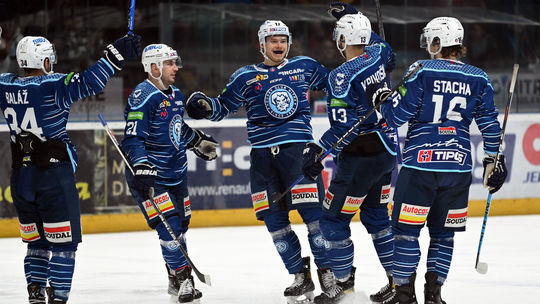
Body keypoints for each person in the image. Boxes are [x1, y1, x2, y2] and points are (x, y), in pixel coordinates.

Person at [185, 20, 333, 304]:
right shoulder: (244, 77)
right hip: (262, 159)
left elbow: (340, 84)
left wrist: (370, 70)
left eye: (283, 40)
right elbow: (221, 109)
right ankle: (299, 276)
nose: (279, 45)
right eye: (272, 40)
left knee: (314, 218)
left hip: (297, 153)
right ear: (261, 44)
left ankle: (327, 273)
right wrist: (204, 106)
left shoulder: (304, 66)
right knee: (275, 223)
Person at [370, 17, 508, 304]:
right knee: (443, 236)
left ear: (438, 43)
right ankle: (435, 296)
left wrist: (383, 99)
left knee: (406, 233)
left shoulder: (421, 70)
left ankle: (405, 295)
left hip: (420, 166)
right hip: (457, 167)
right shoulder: (479, 77)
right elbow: (490, 126)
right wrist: (495, 161)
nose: (427, 46)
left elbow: (397, 116)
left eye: (430, 40)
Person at [0, 32, 141, 303]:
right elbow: (89, 82)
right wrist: (115, 55)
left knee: (36, 244)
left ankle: (36, 296)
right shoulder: (50, 85)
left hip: (21, 179)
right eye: (48, 58)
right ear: (42, 61)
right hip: (52, 177)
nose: (51, 62)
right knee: (64, 245)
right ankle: (59, 298)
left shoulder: (5, 84)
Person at [301, 11, 397, 304]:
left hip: (359, 157)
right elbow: (386, 50)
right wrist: (354, 16)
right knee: (378, 217)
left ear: (343, 39)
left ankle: (341, 284)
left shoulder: (340, 76)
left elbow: (343, 127)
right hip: (387, 151)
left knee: (332, 220)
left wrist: (317, 149)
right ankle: (400, 283)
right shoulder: (379, 54)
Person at [121, 43, 218, 304]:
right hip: (151, 178)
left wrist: (196, 141)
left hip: (177, 174)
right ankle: (184, 278)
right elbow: (132, 139)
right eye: (170, 63)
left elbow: (175, 128)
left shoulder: (174, 94)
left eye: (176, 62)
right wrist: (141, 165)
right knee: (170, 228)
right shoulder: (143, 96)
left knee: (182, 225)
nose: (176, 67)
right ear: (154, 67)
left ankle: (175, 277)